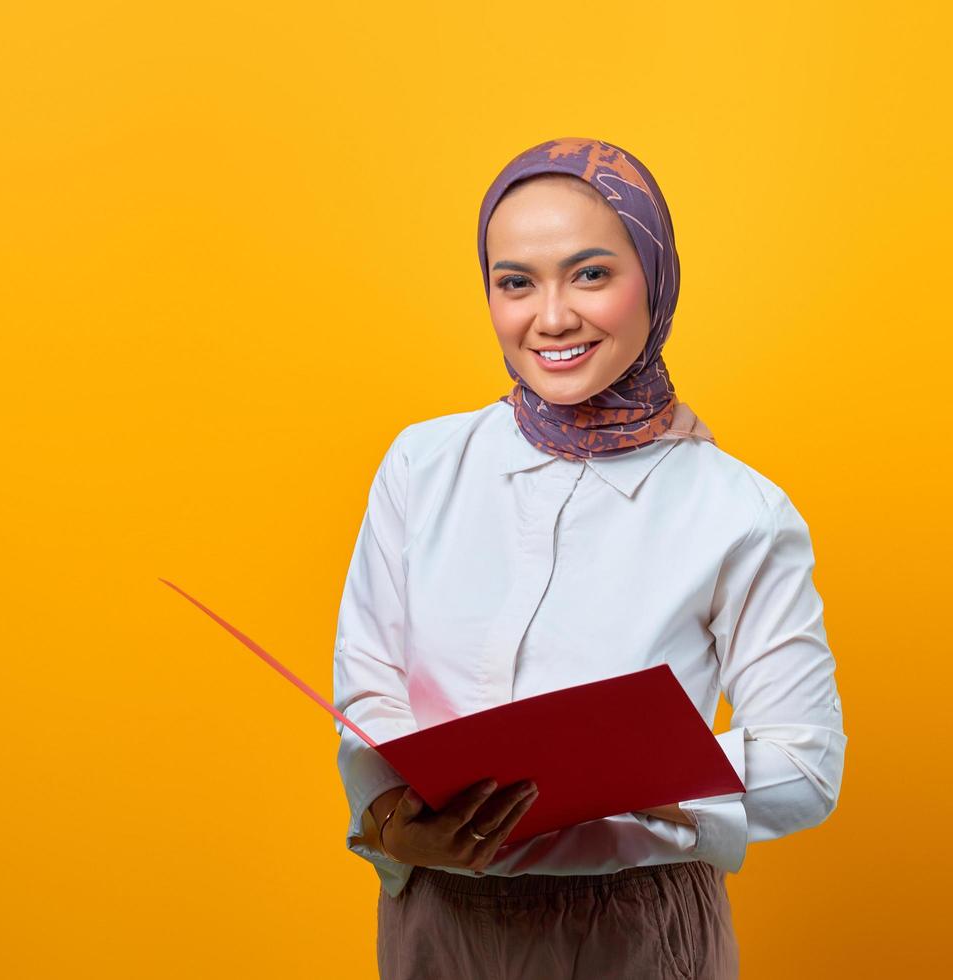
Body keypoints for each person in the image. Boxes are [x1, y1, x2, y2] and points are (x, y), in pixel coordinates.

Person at [332, 137, 847, 979]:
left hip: (632, 930)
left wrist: (637, 776)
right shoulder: (420, 466)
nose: (552, 317)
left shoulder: (739, 512)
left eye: (591, 273)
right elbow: (370, 688)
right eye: (515, 282)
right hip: (433, 918)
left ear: (654, 276)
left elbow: (805, 765)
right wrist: (392, 822)